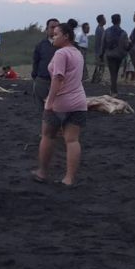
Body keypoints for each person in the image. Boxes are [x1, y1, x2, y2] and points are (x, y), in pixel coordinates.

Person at [33, 19, 87, 187]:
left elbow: (57, 78)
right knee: (72, 140)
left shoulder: (61, 54)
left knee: (48, 136)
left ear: (66, 36)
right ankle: (69, 178)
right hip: (79, 103)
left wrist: (50, 100)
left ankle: (42, 172)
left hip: (60, 102)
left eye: (56, 35)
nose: (53, 37)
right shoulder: (77, 52)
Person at [31, 18, 60, 108]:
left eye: (57, 27)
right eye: (52, 27)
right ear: (46, 29)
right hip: (42, 82)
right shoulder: (40, 45)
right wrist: (36, 78)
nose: (55, 29)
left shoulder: (64, 46)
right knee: (42, 111)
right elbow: (35, 62)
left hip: (59, 83)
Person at [102, 14, 129, 96]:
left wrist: (101, 54)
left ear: (112, 21)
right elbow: (126, 46)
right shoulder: (123, 33)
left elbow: (103, 43)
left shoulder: (107, 31)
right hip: (119, 56)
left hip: (110, 55)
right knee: (115, 72)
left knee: (112, 73)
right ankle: (114, 90)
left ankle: (113, 91)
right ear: (120, 21)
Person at [90, 14, 106, 84]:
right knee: (100, 66)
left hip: (99, 51)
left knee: (99, 66)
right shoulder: (100, 29)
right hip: (100, 51)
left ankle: (95, 80)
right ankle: (97, 80)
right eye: (104, 19)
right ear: (101, 20)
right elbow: (102, 41)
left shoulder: (100, 28)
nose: (105, 20)